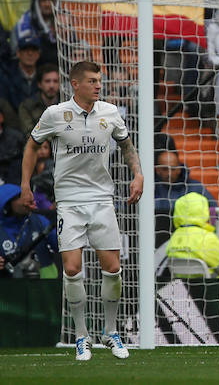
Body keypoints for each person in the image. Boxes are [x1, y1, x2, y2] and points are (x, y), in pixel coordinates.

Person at [21, 61, 143, 361]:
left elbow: (127, 146)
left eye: (99, 81)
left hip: (102, 199)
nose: (98, 85)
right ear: (75, 84)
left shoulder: (110, 113)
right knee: (73, 269)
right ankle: (80, 336)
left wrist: (138, 174)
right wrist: (25, 185)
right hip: (69, 201)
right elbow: (31, 146)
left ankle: (111, 331)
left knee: (113, 268)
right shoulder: (55, 114)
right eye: (92, 81)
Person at [0, 184, 58, 279]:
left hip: (46, 285)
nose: (27, 200)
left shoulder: (39, 220)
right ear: (6, 204)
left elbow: (60, 246)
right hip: (9, 288)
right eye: (19, 197)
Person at [18, 64, 59, 136]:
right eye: (47, 81)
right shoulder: (27, 106)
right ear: (39, 84)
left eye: (55, 81)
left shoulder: (66, 103)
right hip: (37, 145)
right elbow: (30, 133)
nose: (51, 86)